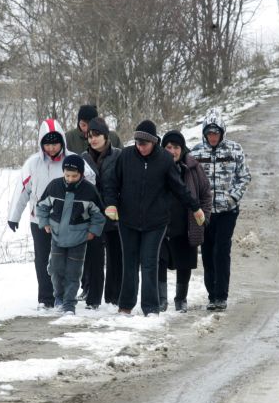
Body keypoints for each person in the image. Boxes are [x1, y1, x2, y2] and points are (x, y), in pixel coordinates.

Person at [103, 120, 205, 316]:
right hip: (128, 220)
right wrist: (111, 204)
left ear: (154, 142)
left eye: (145, 144)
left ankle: (151, 308)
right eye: (138, 143)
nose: (140, 147)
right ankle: (126, 305)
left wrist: (195, 208)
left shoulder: (165, 160)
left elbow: (179, 188)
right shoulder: (126, 156)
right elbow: (111, 183)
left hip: (156, 222)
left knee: (149, 262)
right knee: (130, 262)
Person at [7, 118, 95, 309]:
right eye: (47, 144)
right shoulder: (33, 164)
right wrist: (14, 216)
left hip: (69, 221)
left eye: (55, 143)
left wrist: (87, 214)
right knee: (43, 258)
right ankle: (46, 298)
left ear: (62, 141)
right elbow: (22, 190)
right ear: (41, 143)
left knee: (65, 259)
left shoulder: (73, 160)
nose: (52, 148)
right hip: (40, 219)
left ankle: (64, 295)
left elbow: (90, 184)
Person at [190, 109, 251, 311]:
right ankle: (212, 295)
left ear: (222, 133)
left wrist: (232, 198)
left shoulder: (234, 150)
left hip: (227, 211)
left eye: (216, 134)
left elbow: (244, 177)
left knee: (221, 251)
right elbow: (190, 181)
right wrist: (196, 205)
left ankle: (221, 295)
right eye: (209, 134)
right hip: (205, 213)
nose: (213, 137)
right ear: (205, 134)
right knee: (207, 252)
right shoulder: (196, 153)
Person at [36, 155, 105, 314]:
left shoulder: (89, 190)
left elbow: (98, 214)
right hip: (57, 237)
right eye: (67, 175)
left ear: (81, 173)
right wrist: (45, 223)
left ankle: (69, 304)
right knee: (55, 269)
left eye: (74, 176)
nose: (70, 179)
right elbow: (41, 206)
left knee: (73, 273)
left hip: (79, 239)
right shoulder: (54, 186)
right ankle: (59, 297)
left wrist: (92, 232)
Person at [158, 130, 212, 312]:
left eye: (176, 147)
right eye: (168, 147)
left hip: (187, 224)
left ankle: (181, 298)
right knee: (160, 261)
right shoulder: (157, 166)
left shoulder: (193, 167)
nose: (172, 151)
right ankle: (161, 298)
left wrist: (203, 218)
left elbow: (205, 194)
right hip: (162, 225)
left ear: (183, 149)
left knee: (185, 263)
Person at [81, 116, 122, 309]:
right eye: (90, 136)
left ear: (106, 136)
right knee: (94, 260)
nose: (93, 139)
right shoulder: (83, 158)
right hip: (92, 217)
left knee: (116, 258)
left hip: (115, 215)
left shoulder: (119, 156)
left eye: (97, 135)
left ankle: (114, 298)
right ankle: (93, 300)